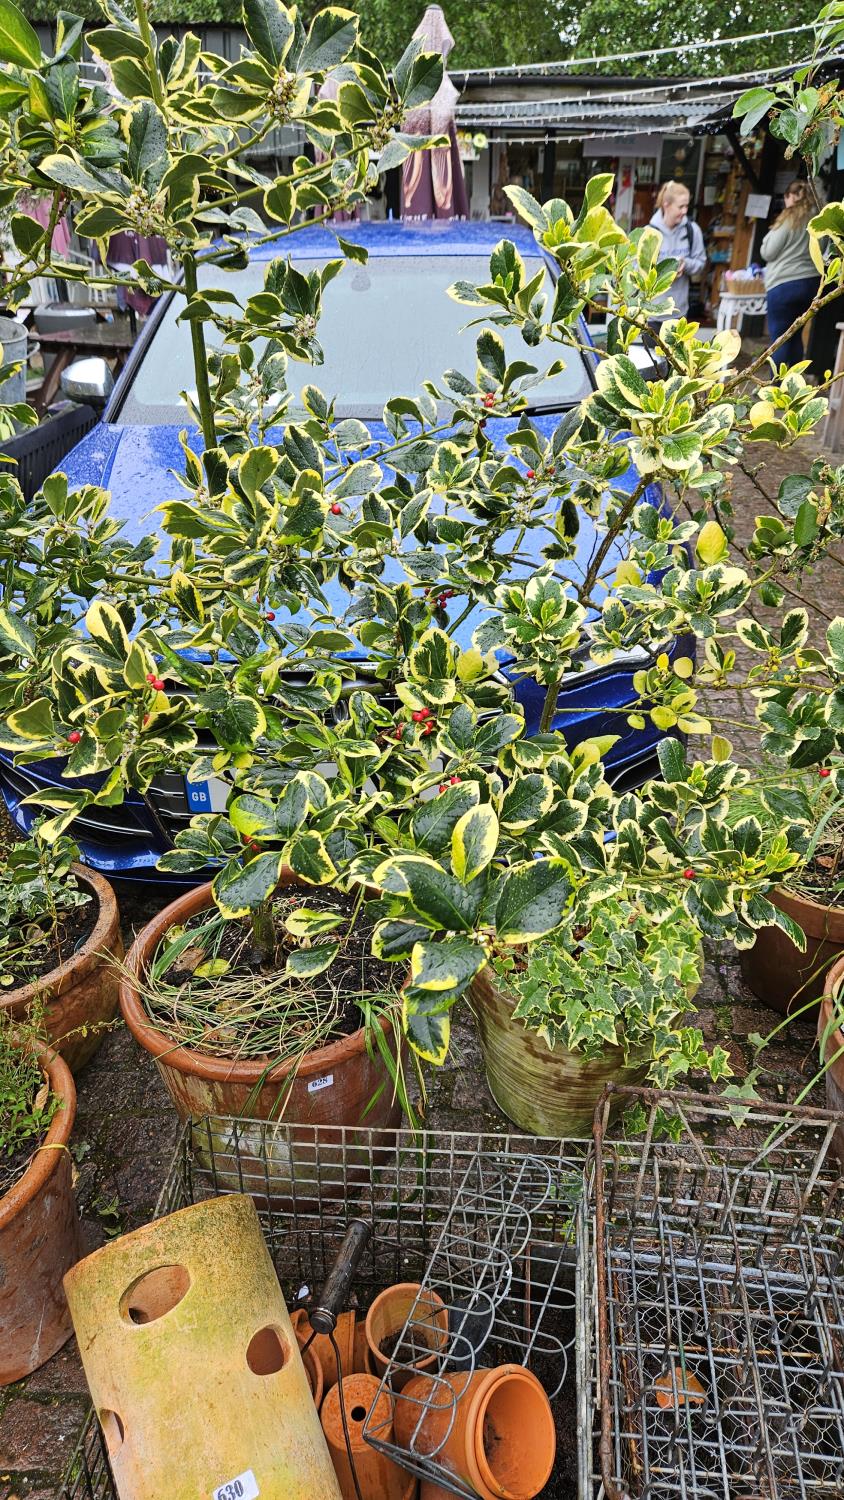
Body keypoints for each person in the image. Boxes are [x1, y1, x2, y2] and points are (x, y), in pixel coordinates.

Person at [760, 180, 820, 367]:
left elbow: (769, 251)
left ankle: (773, 387)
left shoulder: (789, 217)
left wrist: (769, 236)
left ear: (791, 196)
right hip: (810, 284)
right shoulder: (818, 218)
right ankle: (793, 387)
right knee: (795, 336)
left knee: (780, 337)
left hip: (783, 285)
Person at [648, 180, 707, 324]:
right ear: (666, 205)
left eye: (687, 206)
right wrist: (665, 271)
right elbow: (638, 270)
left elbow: (701, 263)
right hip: (652, 315)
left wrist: (684, 264)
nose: (685, 211)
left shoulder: (692, 230)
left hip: (679, 314)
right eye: (681, 206)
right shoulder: (649, 233)